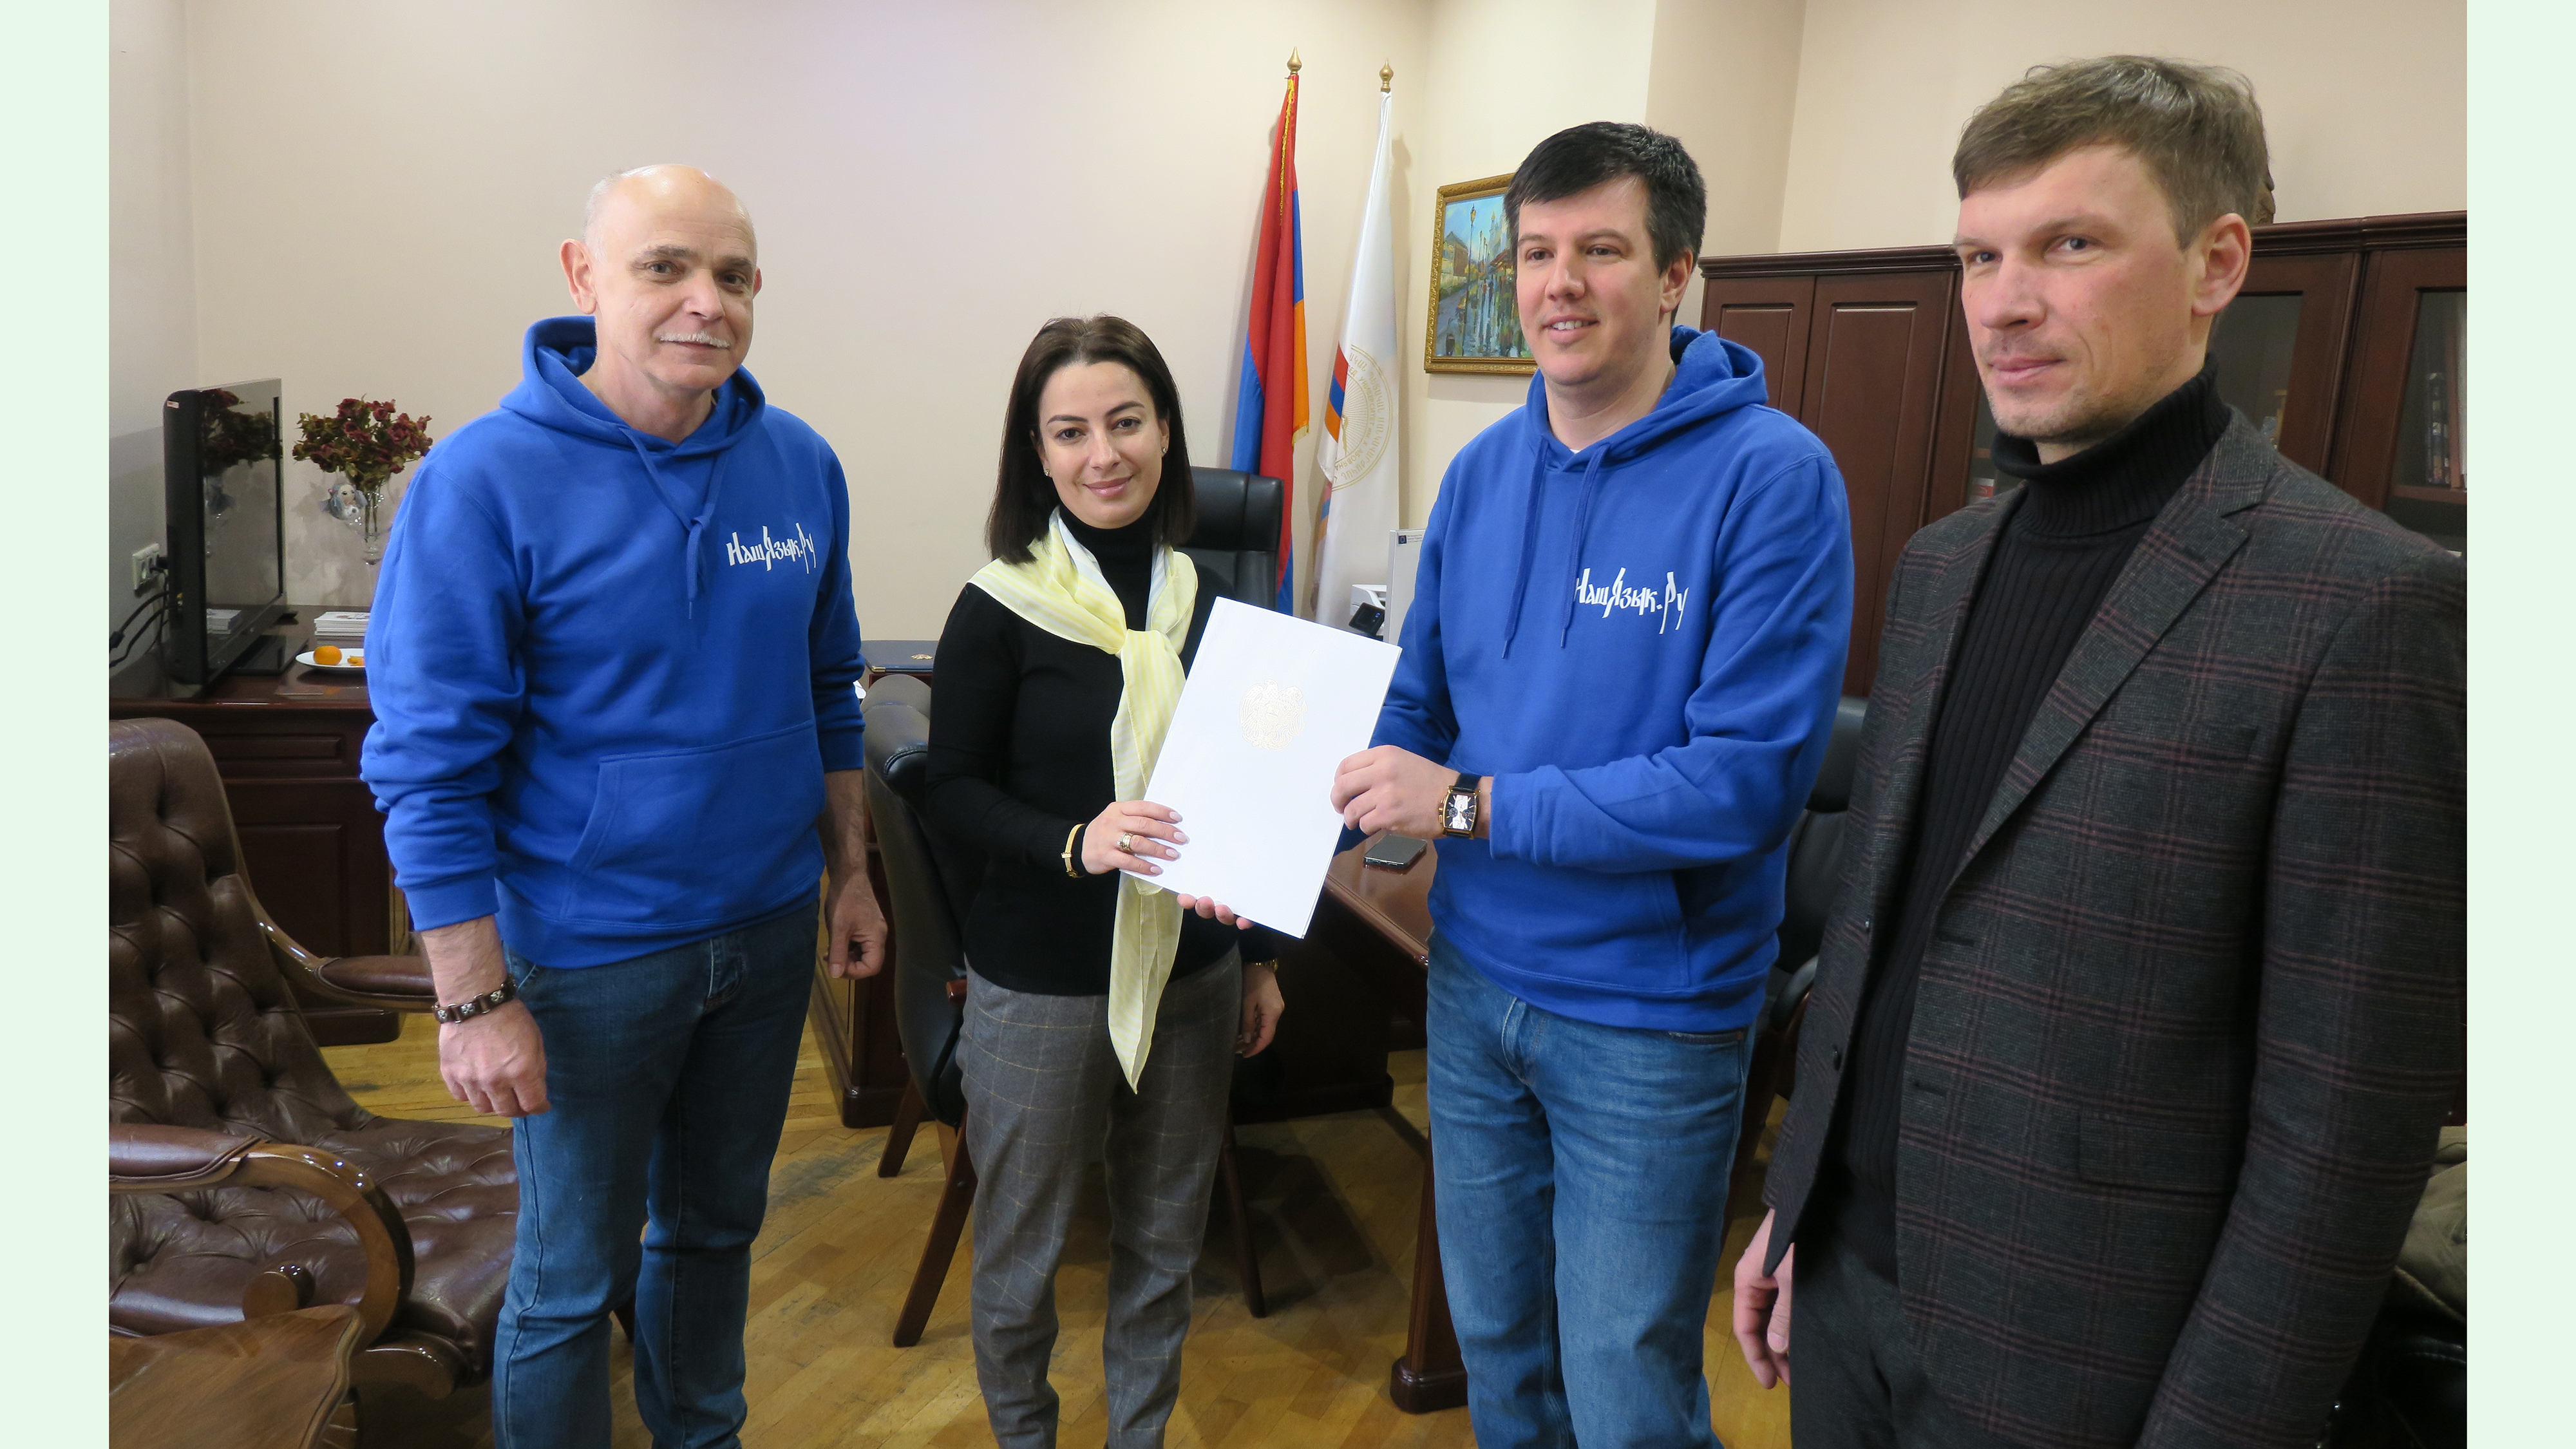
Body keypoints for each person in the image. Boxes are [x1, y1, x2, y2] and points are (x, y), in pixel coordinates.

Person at [1730, 57, 2465, 1449]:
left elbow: (2345, 1127)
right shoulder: (1941, 567)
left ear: (2215, 264)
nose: (2004, 302)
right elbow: (1884, 937)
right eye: (1978, 256)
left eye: (2069, 245)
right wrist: (1793, 1201)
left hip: (2088, 1362)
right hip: (1843, 1296)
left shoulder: (2360, 604)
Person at [1332, 122, 1855, 1448]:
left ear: (1675, 274)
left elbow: (1737, 788)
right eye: (1535, 253)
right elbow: (1414, 703)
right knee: (1500, 1354)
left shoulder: (1771, 479)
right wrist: (1281, 822)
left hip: (1648, 1019)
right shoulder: (1479, 474)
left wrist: (1466, 805)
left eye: (1600, 251)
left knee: (1626, 1392)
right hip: (1472, 985)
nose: (1559, 284)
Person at [362, 165, 885, 1449]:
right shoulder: (480, 481)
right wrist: (473, 999)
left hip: (764, 933)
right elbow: (426, 767)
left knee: (714, 1232)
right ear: (583, 274)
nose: (707, 301)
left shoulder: (798, 463)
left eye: (734, 276)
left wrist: (852, 872)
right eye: (666, 267)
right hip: (585, 959)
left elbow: (830, 687)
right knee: (564, 1279)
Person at [924, 314, 1290, 1449]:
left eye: (1126, 422)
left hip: (1195, 972)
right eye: (1071, 432)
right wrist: (1074, 840)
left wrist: (1262, 960)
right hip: (1042, 979)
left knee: (1165, 1243)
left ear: (1167, 431)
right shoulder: (1000, 605)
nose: (1103, 454)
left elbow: (1257, 792)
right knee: (1023, 1253)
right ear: (1037, 453)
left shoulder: (1216, 604)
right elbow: (949, 790)